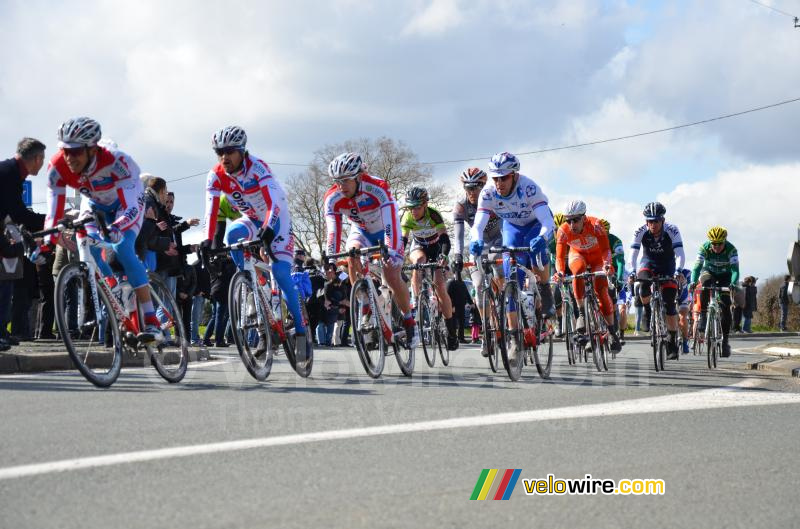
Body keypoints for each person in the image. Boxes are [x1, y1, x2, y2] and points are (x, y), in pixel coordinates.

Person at [36, 117, 163, 342]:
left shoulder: (118, 162)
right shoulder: (57, 166)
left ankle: (152, 319)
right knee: (86, 243)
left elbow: (131, 206)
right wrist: (47, 240)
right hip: (95, 205)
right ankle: (115, 292)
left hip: (126, 206)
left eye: (75, 151)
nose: (69, 157)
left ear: (92, 149)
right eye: (65, 151)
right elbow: (53, 213)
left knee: (122, 248)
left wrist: (117, 227)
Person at [201, 126, 309, 360]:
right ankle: (253, 285)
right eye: (219, 152)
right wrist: (207, 240)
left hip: (276, 219)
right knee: (232, 235)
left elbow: (274, 203)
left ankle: (301, 333)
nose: (224, 157)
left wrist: (268, 228)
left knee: (281, 273)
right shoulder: (215, 175)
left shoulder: (257, 168)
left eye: (230, 152)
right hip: (251, 219)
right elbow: (211, 212)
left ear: (242, 151)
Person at [469, 152, 556, 363]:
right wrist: (476, 240)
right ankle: (515, 338)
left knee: (537, 254)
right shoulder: (488, 193)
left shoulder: (529, 188)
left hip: (536, 225)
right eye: (495, 178)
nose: (499, 183)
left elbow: (548, 222)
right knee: (510, 281)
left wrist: (543, 237)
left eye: (504, 178)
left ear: (514, 175)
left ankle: (544, 288)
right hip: (513, 228)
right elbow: (478, 224)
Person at [323, 152, 415, 346]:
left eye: (346, 180)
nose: (341, 186)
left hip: (386, 230)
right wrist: (330, 260)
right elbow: (333, 231)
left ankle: (409, 321)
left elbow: (390, 222)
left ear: (358, 177)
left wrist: (390, 251)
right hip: (361, 231)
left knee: (391, 274)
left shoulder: (377, 187)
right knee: (351, 254)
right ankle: (365, 305)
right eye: (337, 181)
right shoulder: (332, 198)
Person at [553, 202, 621, 352]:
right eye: (568, 220)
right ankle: (582, 313)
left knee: (602, 292)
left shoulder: (596, 225)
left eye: (575, 220)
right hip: (578, 256)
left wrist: (607, 265)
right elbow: (559, 257)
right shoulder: (563, 231)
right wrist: (560, 272)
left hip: (597, 259)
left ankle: (611, 332)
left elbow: (606, 250)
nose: (572, 224)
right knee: (578, 272)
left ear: (584, 217)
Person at [452, 167, 504, 355]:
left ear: (483, 186)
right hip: (479, 245)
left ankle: (506, 302)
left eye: (475, 187)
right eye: (468, 188)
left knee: (499, 268)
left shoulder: (495, 198)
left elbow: (506, 225)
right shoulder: (461, 206)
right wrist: (458, 256)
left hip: (499, 240)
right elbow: (458, 236)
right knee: (479, 285)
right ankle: (487, 331)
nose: (472, 192)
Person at [401, 186, 459, 350]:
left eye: (417, 207)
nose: (413, 211)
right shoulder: (407, 216)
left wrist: (444, 255)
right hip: (419, 246)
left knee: (440, 287)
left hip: (436, 248)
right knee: (418, 261)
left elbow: (445, 239)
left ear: (425, 204)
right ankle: (416, 301)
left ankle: (451, 332)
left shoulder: (433, 214)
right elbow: (403, 241)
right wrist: (398, 257)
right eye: (410, 207)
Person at [629, 201, 686, 359]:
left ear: (663, 220)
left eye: (656, 221)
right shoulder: (640, 231)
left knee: (669, 304)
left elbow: (680, 253)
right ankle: (647, 312)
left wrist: (678, 271)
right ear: (646, 221)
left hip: (667, 265)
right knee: (643, 284)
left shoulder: (672, 230)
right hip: (648, 263)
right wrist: (632, 271)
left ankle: (672, 341)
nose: (653, 225)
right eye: (650, 221)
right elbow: (633, 254)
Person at [691, 226, 739, 357]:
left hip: (725, 276)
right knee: (705, 284)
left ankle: (725, 342)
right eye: (714, 244)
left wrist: (733, 283)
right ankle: (703, 315)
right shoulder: (704, 248)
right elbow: (697, 267)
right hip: (709, 272)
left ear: (725, 241)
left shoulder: (731, 250)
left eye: (720, 244)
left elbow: (735, 270)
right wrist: (693, 281)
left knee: (725, 306)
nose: (716, 247)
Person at [598, 218, 627, 344]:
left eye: (605, 233)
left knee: (611, 295)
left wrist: (619, 278)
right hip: (599, 270)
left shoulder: (616, 241)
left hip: (613, 270)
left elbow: (620, 262)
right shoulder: (594, 240)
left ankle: (614, 329)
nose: (603, 236)